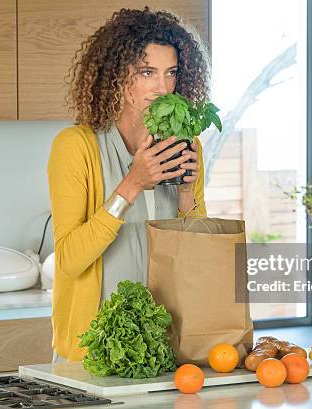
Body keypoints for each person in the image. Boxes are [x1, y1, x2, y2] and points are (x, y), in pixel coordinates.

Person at [47, 7, 211, 362]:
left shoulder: (187, 144)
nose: (163, 87)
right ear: (117, 76)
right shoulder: (75, 146)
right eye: (147, 72)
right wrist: (132, 184)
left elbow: (196, 261)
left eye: (171, 73)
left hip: (166, 347)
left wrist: (186, 193)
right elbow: (70, 260)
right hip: (91, 351)